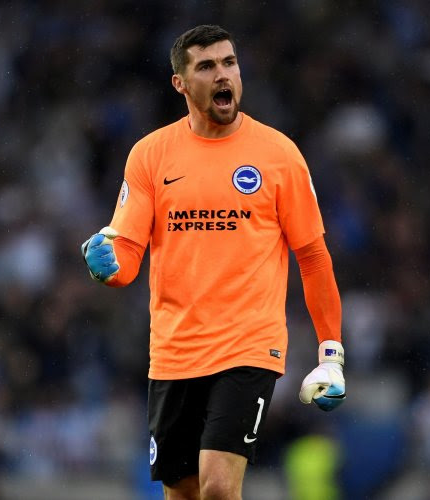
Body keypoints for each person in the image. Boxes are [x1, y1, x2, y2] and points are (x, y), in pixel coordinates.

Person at [82, 24, 346, 500]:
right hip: (173, 352)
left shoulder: (278, 155)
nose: (223, 74)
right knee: (182, 493)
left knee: (219, 487)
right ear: (180, 84)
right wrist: (107, 265)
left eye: (229, 63)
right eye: (206, 66)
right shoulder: (150, 155)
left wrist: (331, 354)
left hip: (248, 346)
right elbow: (127, 258)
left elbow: (312, 257)